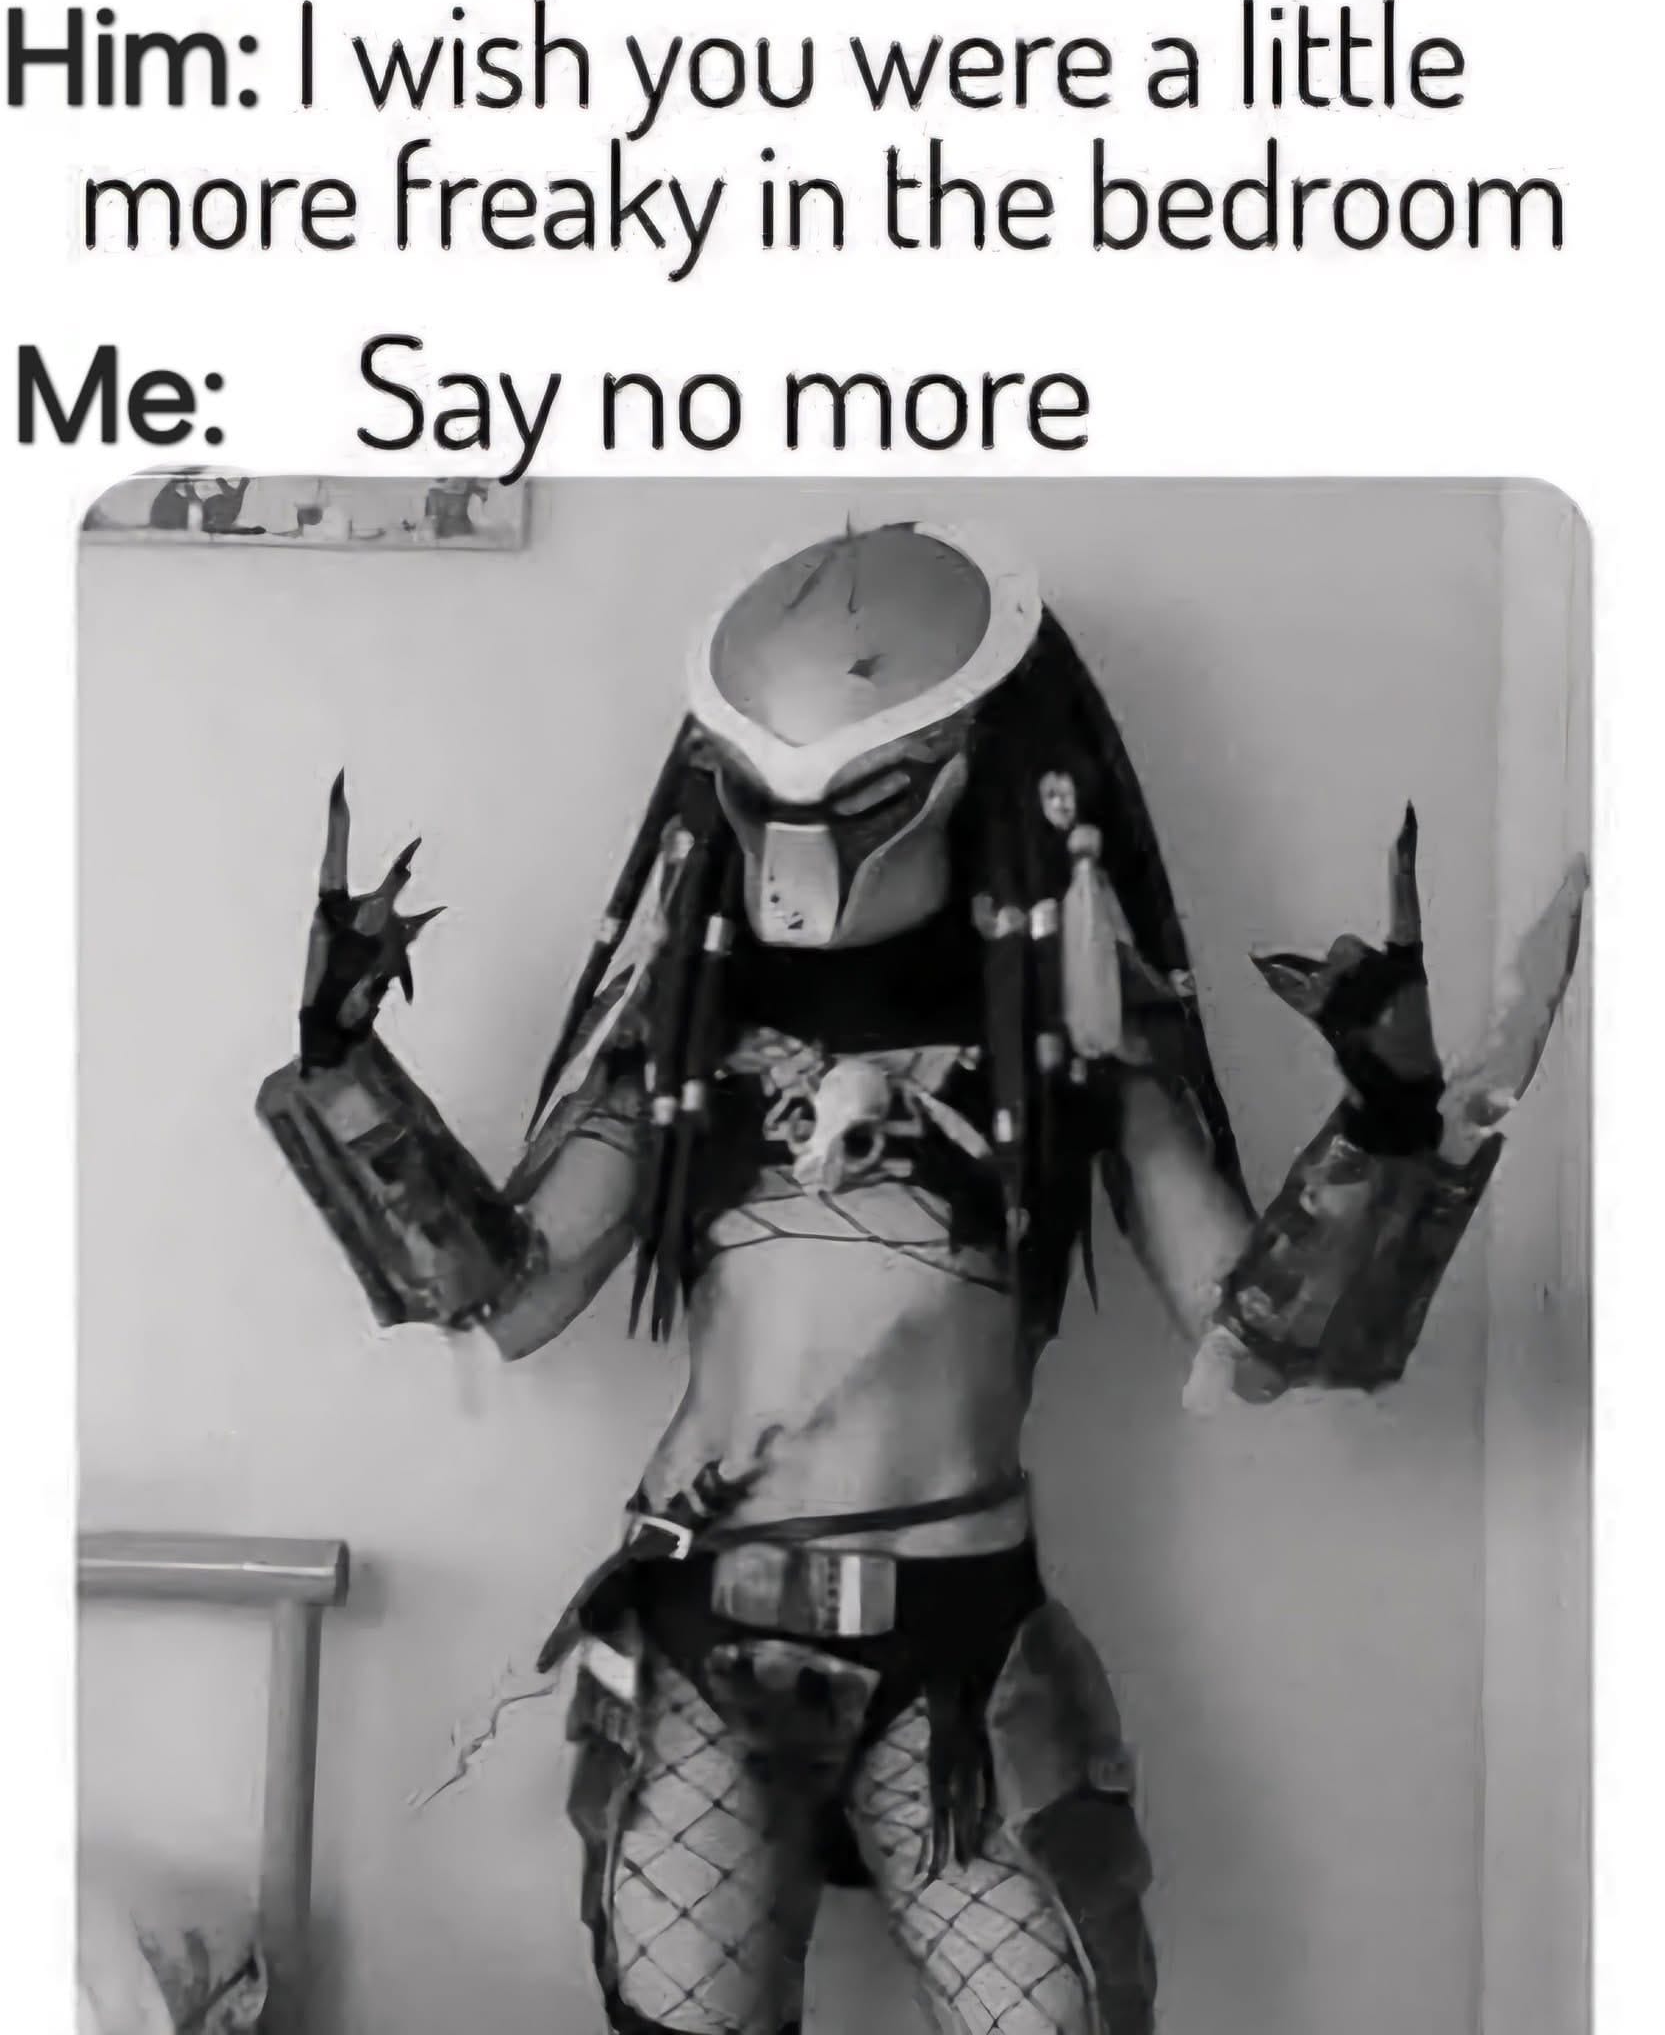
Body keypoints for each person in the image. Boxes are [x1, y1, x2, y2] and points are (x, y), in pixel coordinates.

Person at [258, 520, 1585, 2035]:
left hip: (962, 1646)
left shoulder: (1076, 1041)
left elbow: (1258, 1340)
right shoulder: (678, 1043)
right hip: (703, 1631)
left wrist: (1390, 1123)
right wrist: (341, 1068)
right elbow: (511, 1299)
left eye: (866, 790)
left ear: (987, 768)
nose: (804, 842)